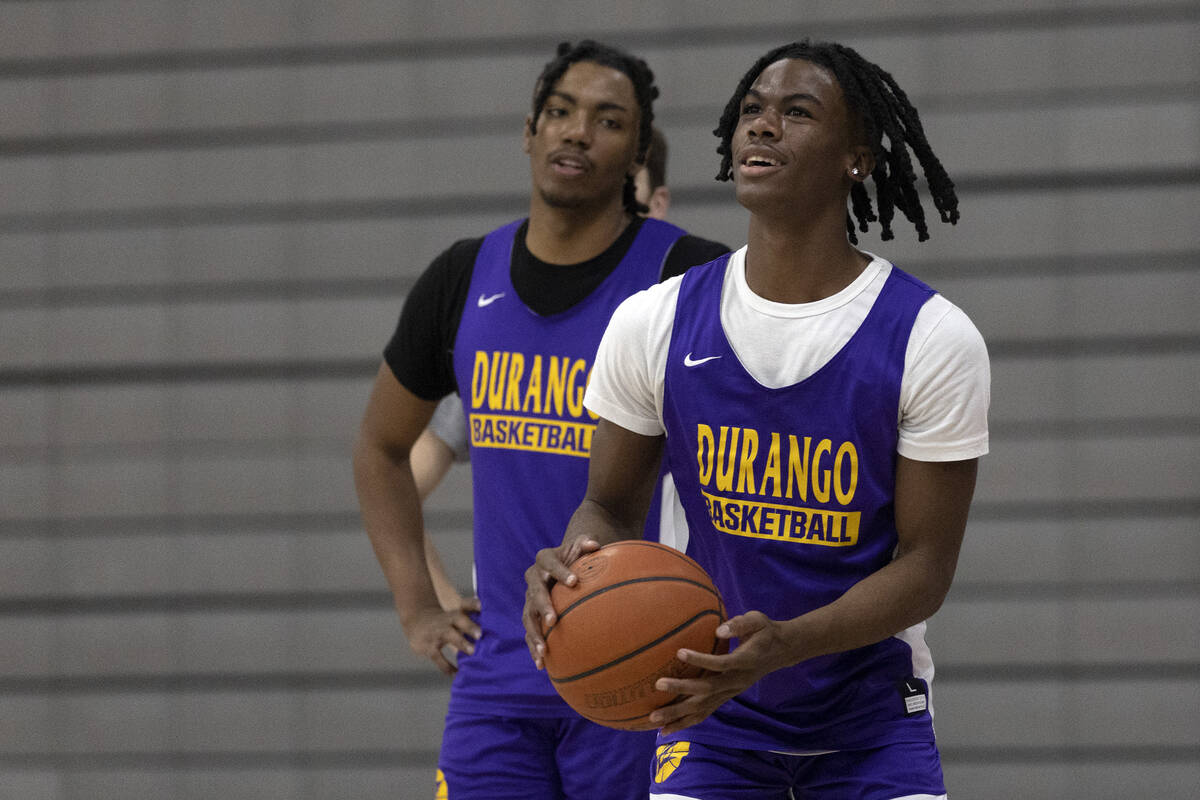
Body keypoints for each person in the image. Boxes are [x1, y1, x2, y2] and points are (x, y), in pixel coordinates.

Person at [523, 39, 990, 800]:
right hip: (709, 711)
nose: (761, 128)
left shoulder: (932, 338)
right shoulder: (655, 323)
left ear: (858, 158)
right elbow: (609, 506)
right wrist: (577, 568)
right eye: (751, 111)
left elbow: (924, 569)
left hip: (870, 719)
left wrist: (783, 646)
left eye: (796, 113)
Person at [353, 39, 728, 799]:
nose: (576, 131)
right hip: (499, 683)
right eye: (559, 112)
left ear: (636, 155)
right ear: (529, 130)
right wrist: (418, 608)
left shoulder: (689, 278)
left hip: (646, 668)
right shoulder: (462, 278)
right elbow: (381, 448)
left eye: (606, 120)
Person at [408, 123, 680, 611]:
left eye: (623, 189)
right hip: (512, 643)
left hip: (640, 620)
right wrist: (434, 604)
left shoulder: (681, 334)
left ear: (656, 204)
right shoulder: (504, 338)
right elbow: (402, 479)